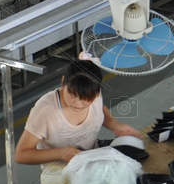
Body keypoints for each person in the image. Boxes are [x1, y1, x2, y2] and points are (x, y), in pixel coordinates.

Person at [15, 59, 144, 165]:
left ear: (97, 92)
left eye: (85, 99)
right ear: (63, 82)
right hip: (60, 169)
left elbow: (99, 109)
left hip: (91, 155)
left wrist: (114, 125)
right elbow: (22, 154)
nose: (77, 103)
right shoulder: (46, 111)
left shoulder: (94, 93)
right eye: (72, 94)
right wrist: (61, 153)